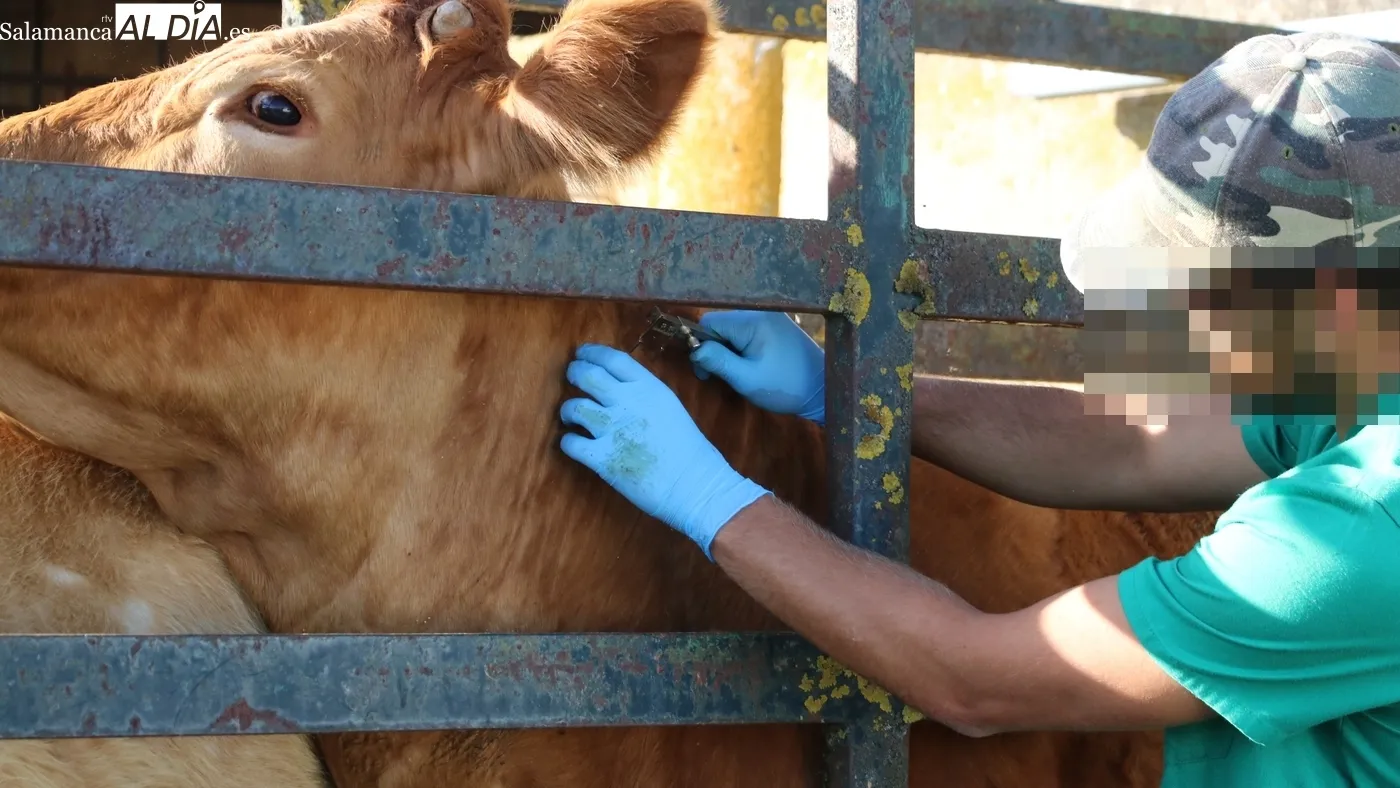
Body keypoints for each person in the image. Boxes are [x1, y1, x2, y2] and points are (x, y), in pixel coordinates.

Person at [557, 29, 1400, 786]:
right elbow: (1134, 442)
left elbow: (975, 681)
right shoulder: (1359, 377)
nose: (1173, 325)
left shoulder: (1361, 535)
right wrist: (844, 395)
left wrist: (710, 500)